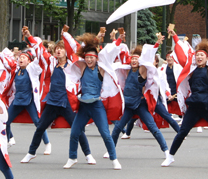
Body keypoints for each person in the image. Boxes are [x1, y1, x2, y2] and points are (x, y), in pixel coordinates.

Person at [20, 27, 95, 165]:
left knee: (77, 129)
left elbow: (77, 49)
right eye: (56, 49)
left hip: (66, 102)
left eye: (61, 49)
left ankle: (88, 154)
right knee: (40, 128)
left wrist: (66, 35)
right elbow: (40, 50)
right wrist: (29, 36)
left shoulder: (73, 65)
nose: (58, 51)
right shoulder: (51, 62)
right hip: (52, 102)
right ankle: (31, 152)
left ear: (66, 51)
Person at [63, 32, 122, 170]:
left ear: (96, 59)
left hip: (96, 105)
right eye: (87, 57)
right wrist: (66, 35)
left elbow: (108, 54)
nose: (89, 60)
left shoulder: (101, 69)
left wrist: (118, 40)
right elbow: (75, 50)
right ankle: (72, 157)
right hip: (83, 105)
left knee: (105, 134)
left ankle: (114, 159)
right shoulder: (82, 67)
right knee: (74, 132)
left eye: (92, 58)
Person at [110, 34, 170, 162]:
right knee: (117, 129)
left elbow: (147, 58)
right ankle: (110, 150)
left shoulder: (142, 71)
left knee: (153, 128)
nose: (133, 61)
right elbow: (120, 54)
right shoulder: (126, 70)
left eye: (136, 59)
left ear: (140, 61)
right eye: (132, 58)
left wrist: (157, 44)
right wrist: (116, 39)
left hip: (140, 104)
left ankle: (166, 151)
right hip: (128, 105)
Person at [161, 31, 208, 167]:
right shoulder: (191, 70)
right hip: (193, 107)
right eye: (198, 54)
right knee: (182, 133)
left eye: (202, 55)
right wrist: (175, 37)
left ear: (206, 58)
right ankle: (170, 156)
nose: (199, 57)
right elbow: (182, 56)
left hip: (206, 106)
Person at [121, 52, 180, 139]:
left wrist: (168, 95)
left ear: (156, 62)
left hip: (154, 98)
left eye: (152, 60)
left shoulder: (160, 72)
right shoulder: (142, 70)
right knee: (133, 116)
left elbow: (164, 85)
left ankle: (180, 132)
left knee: (166, 115)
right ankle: (127, 133)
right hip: (142, 98)